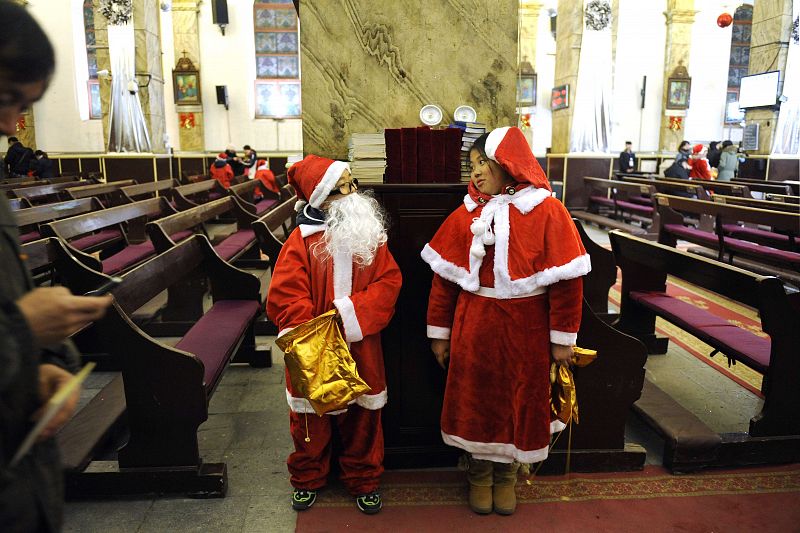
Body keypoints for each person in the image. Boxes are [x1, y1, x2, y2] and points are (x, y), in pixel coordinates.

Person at [422, 126, 589, 516]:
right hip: (475, 323)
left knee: (521, 400)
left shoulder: (547, 209)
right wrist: (439, 333)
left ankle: (508, 475)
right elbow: (444, 281)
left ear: (507, 162)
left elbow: (567, 283)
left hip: (527, 328)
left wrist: (563, 338)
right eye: (473, 165)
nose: (476, 172)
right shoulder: (468, 213)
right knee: (475, 398)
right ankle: (479, 474)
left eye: (483, 162)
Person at [0, 3, 113, 531]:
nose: (10, 125)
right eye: (6, 100)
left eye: (24, 106)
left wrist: (43, 369)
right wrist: (25, 332)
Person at [267, 155, 402, 515]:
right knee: (310, 417)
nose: (354, 192)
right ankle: (308, 476)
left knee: (363, 415)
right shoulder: (301, 241)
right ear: (322, 197)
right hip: (314, 346)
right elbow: (285, 293)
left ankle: (363, 477)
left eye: (352, 183)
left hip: (361, 343)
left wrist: (349, 315)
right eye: (343, 187)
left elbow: (388, 281)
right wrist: (314, 332)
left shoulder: (371, 236)